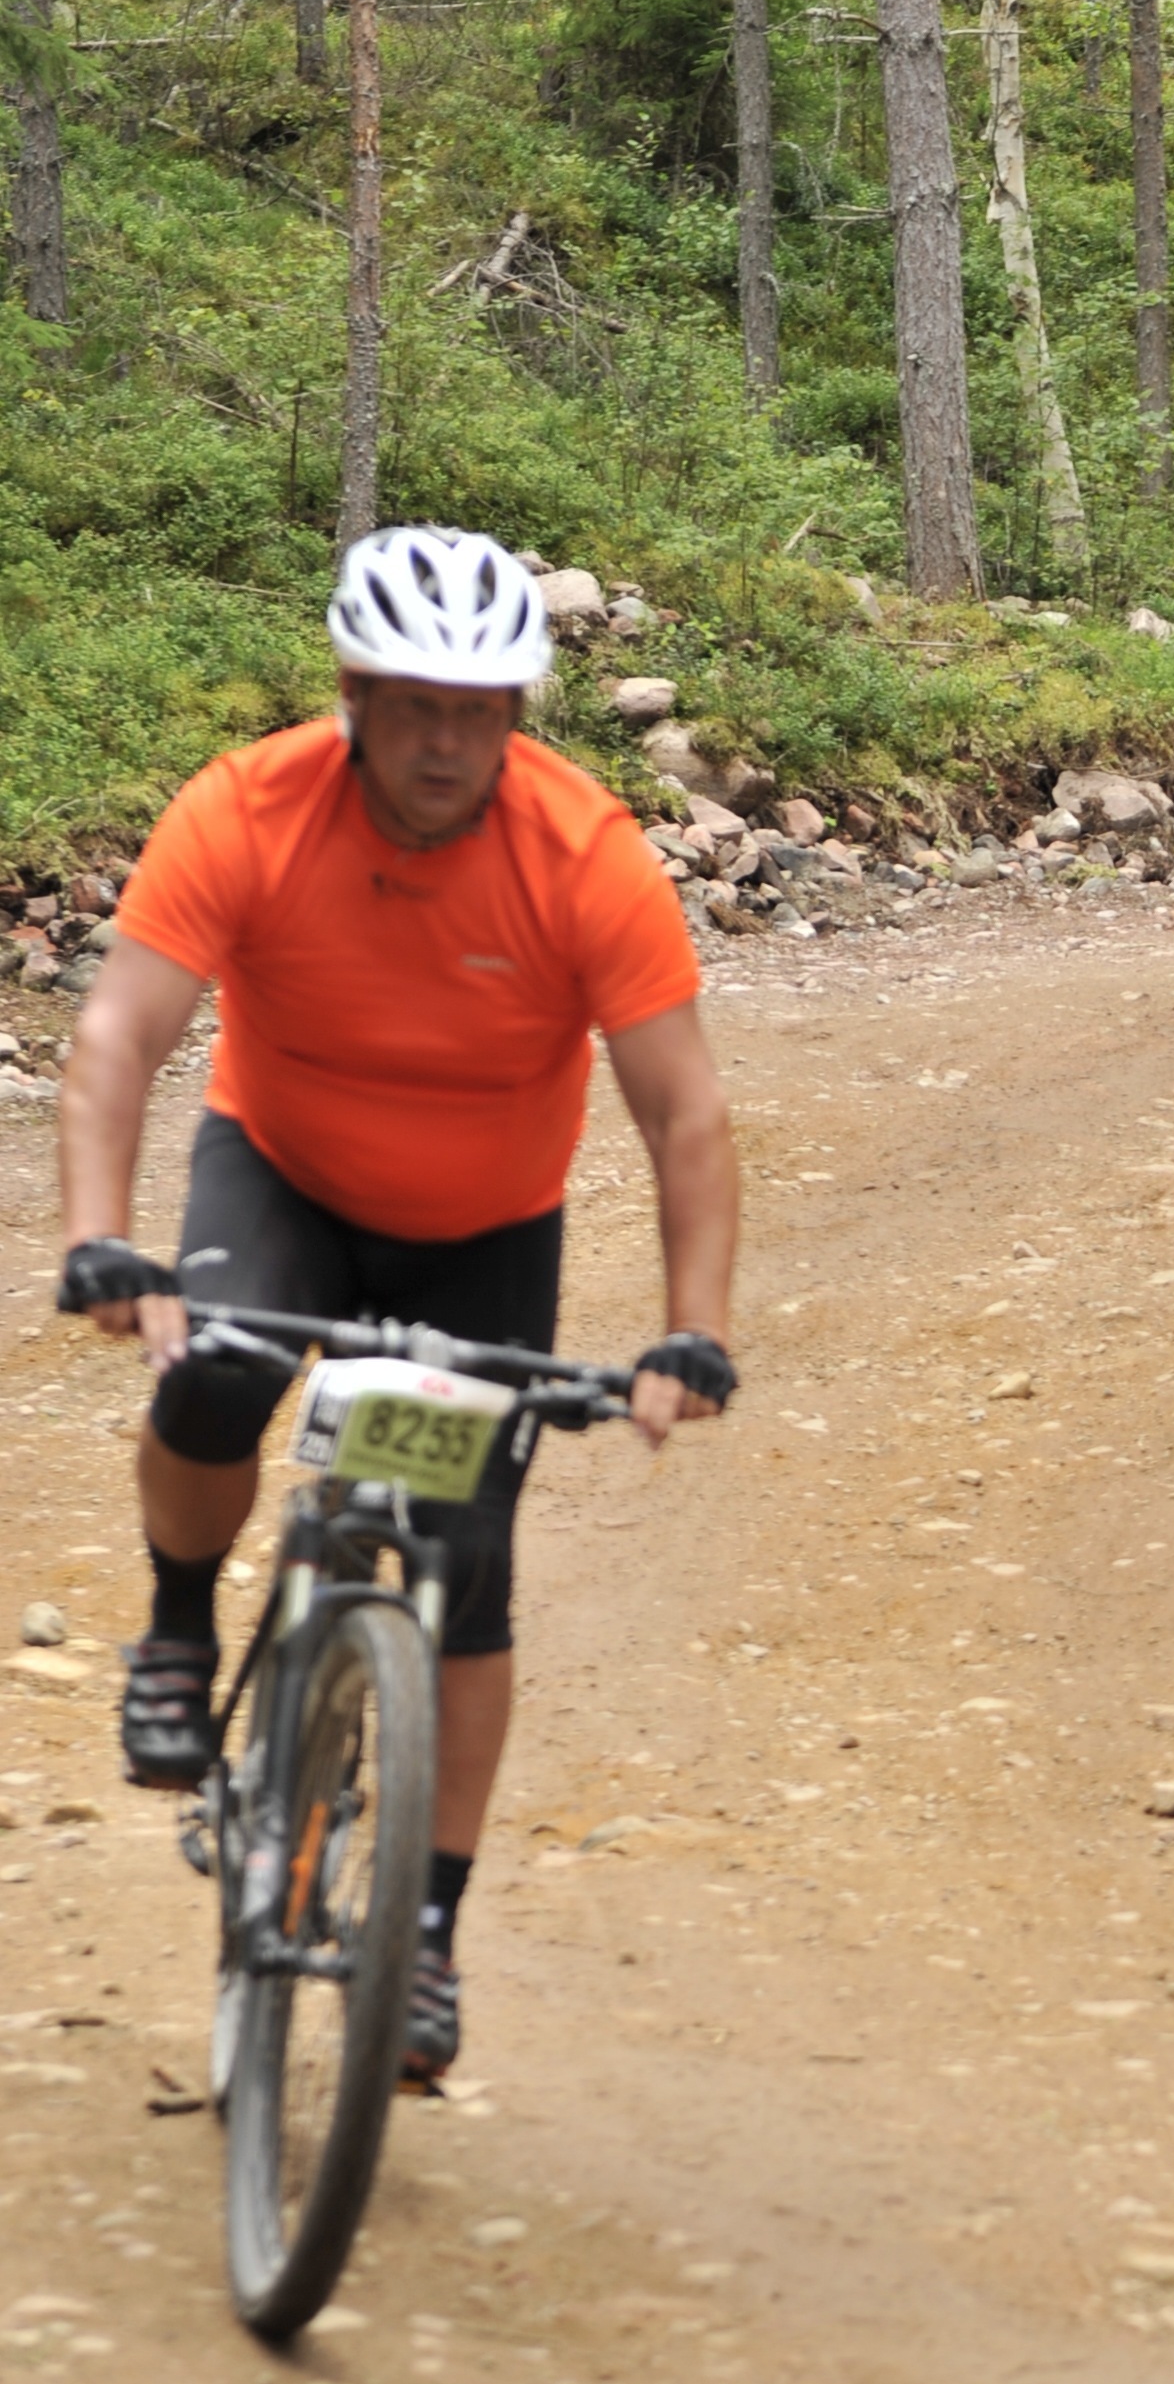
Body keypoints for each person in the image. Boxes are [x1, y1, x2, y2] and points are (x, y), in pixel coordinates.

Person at [56, 522, 740, 2087]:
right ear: (355, 696)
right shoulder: (247, 810)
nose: (447, 742)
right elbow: (117, 1038)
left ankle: (421, 1934)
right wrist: (101, 1240)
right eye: (417, 706)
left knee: (467, 1561)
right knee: (217, 1373)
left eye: (479, 711)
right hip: (280, 1177)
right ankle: (178, 1634)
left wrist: (692, 1329)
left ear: (517, 714)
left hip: (482, 1229)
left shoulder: (583, 853)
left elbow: (684, 1111)